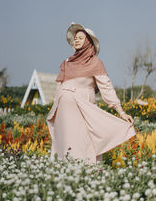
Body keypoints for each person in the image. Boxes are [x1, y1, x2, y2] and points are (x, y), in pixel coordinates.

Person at [46, 22, 136, 165]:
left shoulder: (95, 63)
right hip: (64, 115)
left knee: (83, 145)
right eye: (75, 38)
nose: (76, 40)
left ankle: (86, 178)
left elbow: (106, 88)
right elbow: (59, 88)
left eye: (80, 38)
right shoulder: (66, 63)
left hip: (83, 112)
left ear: (88, 41)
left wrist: (121, 112)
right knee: (64, 146)